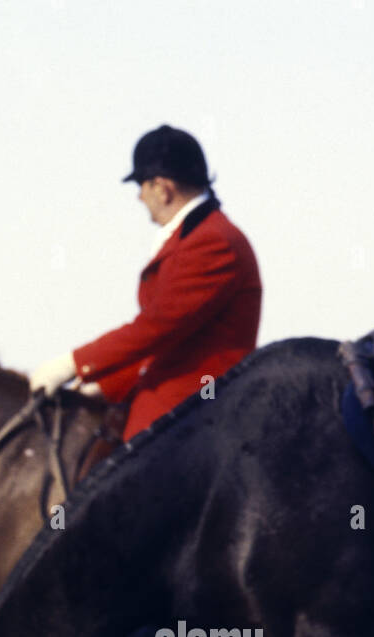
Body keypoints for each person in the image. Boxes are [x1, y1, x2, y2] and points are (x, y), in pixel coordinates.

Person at [30, 125, 262, 440]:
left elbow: (157, 327)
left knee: (126, 470)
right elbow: (163, 343)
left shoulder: (212, 242)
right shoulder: (193, 236)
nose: (140, 197)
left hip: (204, 395)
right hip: (172, 386)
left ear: (161, 187)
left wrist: (74, 363)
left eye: (141, 186)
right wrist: (104, 385)